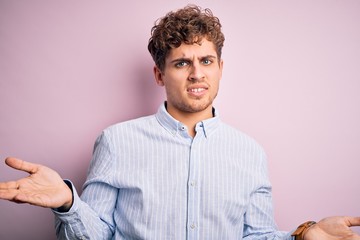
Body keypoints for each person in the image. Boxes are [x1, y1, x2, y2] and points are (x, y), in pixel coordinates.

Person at [0, 5, 359, 240]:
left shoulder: (250, 152)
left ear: (221, 69)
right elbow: (98, 236)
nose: (196, 74)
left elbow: (256, 237)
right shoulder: (116, 141)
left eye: (206, 60)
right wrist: (68, 204)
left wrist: (304, 234)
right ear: (159, 74)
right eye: (181, 63)